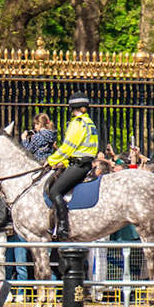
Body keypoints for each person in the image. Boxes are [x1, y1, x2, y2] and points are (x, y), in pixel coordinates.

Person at [43, 96, 99, 240]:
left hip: (79, 165)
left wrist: (51, 160)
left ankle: (63, 226)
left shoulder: (77, 123)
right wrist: (65, 163)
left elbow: (68, 147)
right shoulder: (89, 122)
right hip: (83, 163)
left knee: (55, 190)